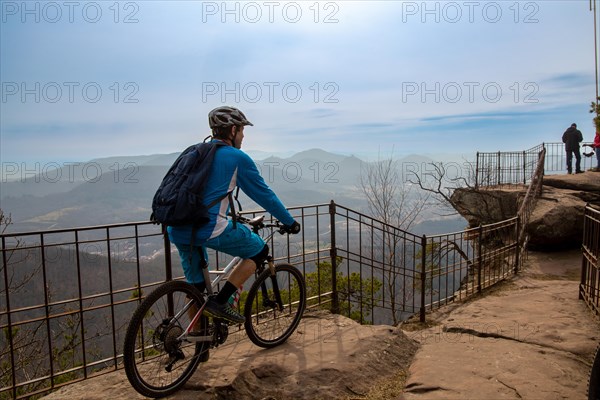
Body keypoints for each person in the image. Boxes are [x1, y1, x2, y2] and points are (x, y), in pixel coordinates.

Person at [167, 106, 301, 325]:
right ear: (232, 131)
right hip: (208, 227)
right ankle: (220, 302)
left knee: (196, 288)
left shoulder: (196, 152)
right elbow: (264, 195)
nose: (243, 135)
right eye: (241, 130)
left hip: (178, 226)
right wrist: (289, 221)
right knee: (259, 251)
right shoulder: (237, 158)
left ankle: (197, 342)